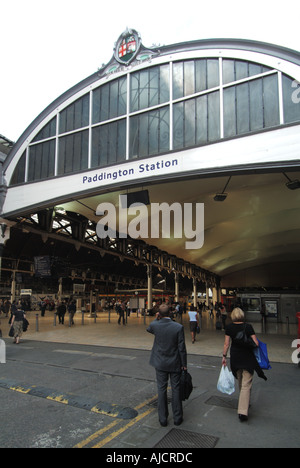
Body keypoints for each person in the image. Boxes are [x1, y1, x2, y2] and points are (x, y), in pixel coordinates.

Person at [222, 307, 267, 422]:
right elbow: (256, 343)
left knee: (241, 380)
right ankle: (243, 411)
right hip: (247, 357)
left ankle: (244, 403)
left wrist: (224, 356)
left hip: (235, 357)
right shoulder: (248, 327)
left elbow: (226, 344)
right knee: (246, 383)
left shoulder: (229, 327)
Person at [147, 304, 187, 427]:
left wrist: (156, 318)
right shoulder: (178, 327)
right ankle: (177, 417)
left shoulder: (155, 325)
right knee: (175, 389)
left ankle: (163, 419)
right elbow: (182, 348)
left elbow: (149, 328)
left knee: (161, 389)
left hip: (159, 362)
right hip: (175, 362)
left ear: (159, 314)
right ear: (170, 313)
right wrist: (184, 364)